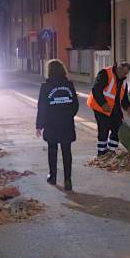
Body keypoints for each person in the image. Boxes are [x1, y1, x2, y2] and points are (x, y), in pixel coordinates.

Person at [36, 60, 79, 191]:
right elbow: (75, 104)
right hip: (66, 123)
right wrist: (68, 115)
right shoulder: (69, 85)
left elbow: (42, 107)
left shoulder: (45, 87)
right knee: (67, 151)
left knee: (52, 149)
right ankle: (68, 180)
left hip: (51, 123)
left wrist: (39, 125)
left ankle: (53, 176)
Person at [87, 62, 130, 156]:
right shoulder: (105, 73)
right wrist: (103, 104)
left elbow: (124, 98)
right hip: (100, 107)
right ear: (118, 68)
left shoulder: (124, 81)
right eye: (122, 72)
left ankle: (111, 151)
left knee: (118, 127)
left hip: (113, 107)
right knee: (104, 129)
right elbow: (96, 89)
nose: (123, 75)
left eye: (125, 73)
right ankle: (101, 153)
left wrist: (128, 108)